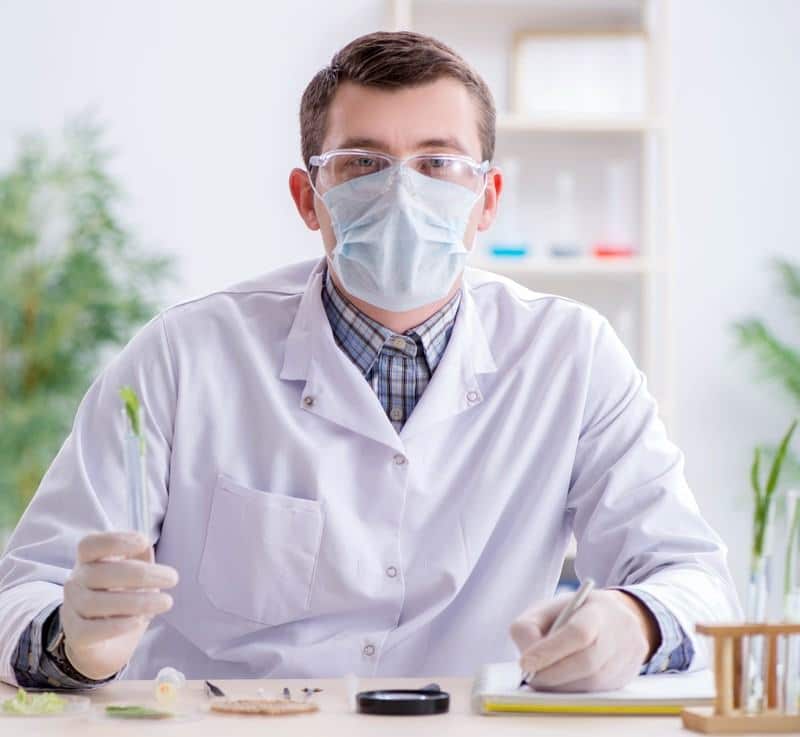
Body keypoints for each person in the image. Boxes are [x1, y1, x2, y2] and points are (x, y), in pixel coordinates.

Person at [0, 31, 740, 692]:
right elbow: (26, 589)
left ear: (487, 200)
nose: (401, 191)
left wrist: (634, 619)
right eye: (362, 162)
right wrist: (78, 643)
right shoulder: (183, 356)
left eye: (438, 163)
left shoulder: (572, 356)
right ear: (307, 196)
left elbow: (699, 582)